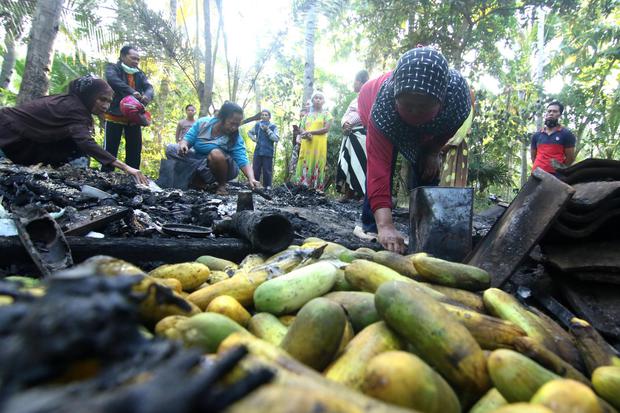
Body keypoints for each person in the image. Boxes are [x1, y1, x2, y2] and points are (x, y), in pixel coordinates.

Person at [357, 47, 471, 253]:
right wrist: (386, 226)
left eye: (424, 107)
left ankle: (424, 230)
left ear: (441, 101)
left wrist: (433, 151)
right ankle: (372, 226)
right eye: (408, 106)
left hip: (429, 128)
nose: (415, 113)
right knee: (385, 164)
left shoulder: (457, 98)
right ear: (396, 97)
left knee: (426, 164)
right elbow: (378, 168)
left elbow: (454, 124)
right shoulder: (383, 108)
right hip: (370, 102)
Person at [0, 75, 148, 184]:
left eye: (109, 102)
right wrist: (126, 167)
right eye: (102, 99)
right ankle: (75, 180)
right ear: (89, 95)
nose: (105, 106)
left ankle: (72, 176)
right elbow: (85, 142)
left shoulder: (70, 101)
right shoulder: (75, 109)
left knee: (73, 146)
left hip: (16, 133)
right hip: (7, 134)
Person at [165, 101, 260, 195]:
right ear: (222, 118)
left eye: (237, 124)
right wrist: (183, 145)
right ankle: (198, 181)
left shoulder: (235, 138)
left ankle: (221, 185)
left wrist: (251, 178)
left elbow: (243, 160)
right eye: (231, 123)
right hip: (199, 163)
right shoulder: (203, 123)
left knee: (216, 153)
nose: (234, 128)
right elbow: (188, 139)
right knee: (171, 149)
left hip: (222, 167)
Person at [102, 45, 154, 172]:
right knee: (110, 149)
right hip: (115, 115)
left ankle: (134, 178)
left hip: (134, 117)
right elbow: (113, 81)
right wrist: (131, 91)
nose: (136, 62)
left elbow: (149, 87)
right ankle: (106, 177)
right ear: (123, 56)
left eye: (138, 59)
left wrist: (147, 96)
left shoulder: (139, 74)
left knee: (134, 150)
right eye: (133, 58)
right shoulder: (112, 68)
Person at [336, 70, 370, 200]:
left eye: (354, 81)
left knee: (360, 162)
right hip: (349, 134)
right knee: (348, 162)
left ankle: (361, 194)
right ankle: (348, 193)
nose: (353, 85)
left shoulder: (368, 96)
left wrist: (350, 122)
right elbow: (346, 115)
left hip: (361, 134)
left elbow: (363, 112)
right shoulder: (354, 100)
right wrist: (345, 123)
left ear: (361, 82)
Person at [294, 92, 333, 191]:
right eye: (316, 98)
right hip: (307, 143)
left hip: (319, 144)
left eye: (321, 98)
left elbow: (326, 129)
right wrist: (306, 134)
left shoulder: (327, 114)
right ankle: (302, 187)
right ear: (312, 100)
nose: (318, 99)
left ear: (324, 101)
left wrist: (310, 132)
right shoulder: (306, 115)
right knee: (305, 162)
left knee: (317, 162)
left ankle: (316, 189)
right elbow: (301, 128)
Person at [531, 101, 576, 175]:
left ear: (559, 115)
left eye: (555, 111)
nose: (551, 113)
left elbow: (570, 158)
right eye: (549, 111)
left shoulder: (566, 134)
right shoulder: (536, 135)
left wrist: (560, 169)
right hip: (536, 173)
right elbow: (533, 157)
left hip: (556, 175)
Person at [248, 109, 279, 189]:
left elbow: (276, 139)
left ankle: (267, 187)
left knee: (267, 170)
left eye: (266, 115)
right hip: (258, 151)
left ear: (269, 117)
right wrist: (253, 139)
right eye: (263, 115)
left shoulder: (273, 126)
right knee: (255, 169)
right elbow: (250, 132)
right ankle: (255, 185)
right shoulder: (257, 125)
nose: (264, 116)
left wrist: (268, 130)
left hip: (268, 151)